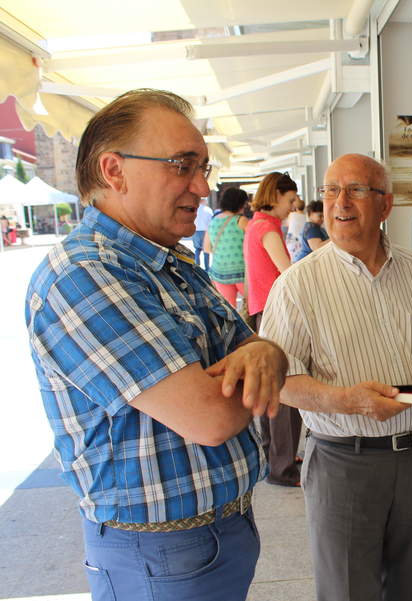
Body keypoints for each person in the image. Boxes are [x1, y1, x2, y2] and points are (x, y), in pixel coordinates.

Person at [25, 88, 288, 601]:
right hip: (157, 557)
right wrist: (255, 361)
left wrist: (266, 353)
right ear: (114, 170)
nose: (201, 186)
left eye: (204, 167)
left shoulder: (170, 261)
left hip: (215, 534)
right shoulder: (85, 275)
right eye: (181, 165)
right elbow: (210, 417)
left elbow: (257, 350)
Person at [260, 153, 412, 601]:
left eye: (356, 189)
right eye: (331, 190)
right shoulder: (297, 286)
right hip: (344, 465)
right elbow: (281, 381)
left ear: (386, 205)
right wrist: (348, 401)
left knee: (410, 588)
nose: (340, 202)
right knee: (347, 592)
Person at [243, 171, 303, 486]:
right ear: (275, 195)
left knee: (273, 387)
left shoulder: (254, 224)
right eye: (290, 200)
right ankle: (283, 467)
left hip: (261, 311)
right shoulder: (267, 228)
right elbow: (287, 273)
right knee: (286, 388)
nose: (293, 207)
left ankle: (275, 459)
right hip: (275, 312)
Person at [205, 187, 249, 307]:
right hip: (242, 273)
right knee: (252, 308)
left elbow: (207, 248)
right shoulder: (241, 220)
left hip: (220, 273)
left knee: (230, 309)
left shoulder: (213, 221)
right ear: (239, 203)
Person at [193, 196, 213, 269]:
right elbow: (211, 222)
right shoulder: (208, 210)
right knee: (206, 250)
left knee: (197, 249)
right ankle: (207, 268)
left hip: (195, 231)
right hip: (205, 231)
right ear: (204, 201)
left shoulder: (195, 209)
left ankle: (196, 266)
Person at [285, 196, 307, 261]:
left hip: (291, 241)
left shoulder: (291, 215)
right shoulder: (306, 217)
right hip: (300, 242)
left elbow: (287, 225)